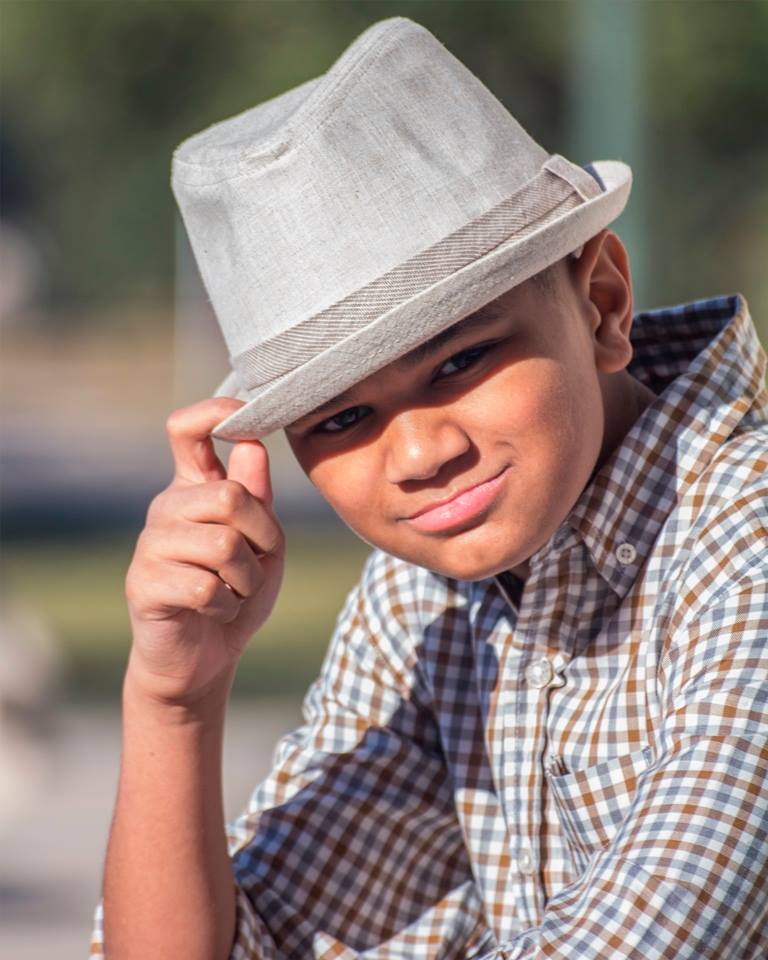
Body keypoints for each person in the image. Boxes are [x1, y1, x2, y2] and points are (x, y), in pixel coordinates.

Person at [91, 16, 768, 960]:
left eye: (461, 358)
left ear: (603, 301)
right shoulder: (425, 598)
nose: (416, 453)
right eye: (339, 418)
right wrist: (175, 700)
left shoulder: (745, 547)